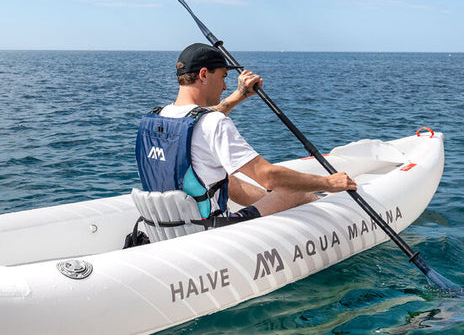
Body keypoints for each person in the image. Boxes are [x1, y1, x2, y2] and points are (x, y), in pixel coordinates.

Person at [135, 43, 356, 228]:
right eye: (222, 77)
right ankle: (327, 209)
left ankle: (278, 203)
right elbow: (268, 176)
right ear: (203, 75)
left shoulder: (157, 117)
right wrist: (328, 182)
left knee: (224, 178)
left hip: (168, 227)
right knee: (292, 191)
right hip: (210, 231)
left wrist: (240, 95)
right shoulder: (214, 123)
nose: (223, 87)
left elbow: (197, 124)